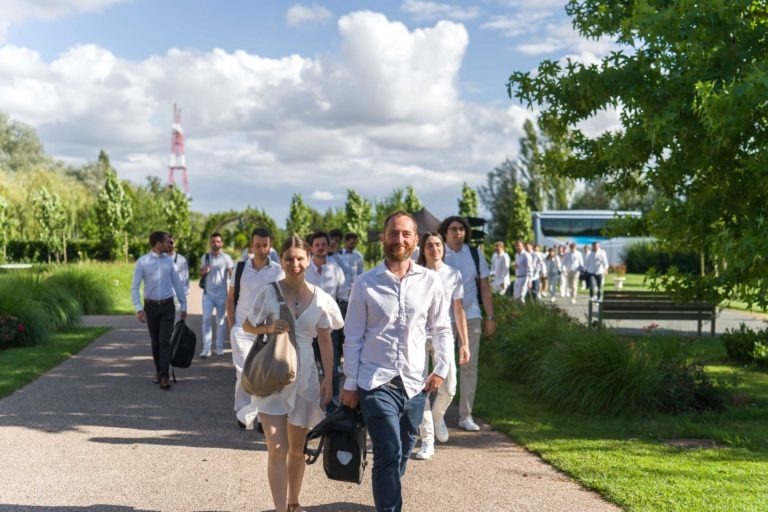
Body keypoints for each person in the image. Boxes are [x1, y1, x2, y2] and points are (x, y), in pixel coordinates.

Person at [341, 211, 453, 512]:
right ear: (383, 238)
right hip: (375, 380)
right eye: (393, 233)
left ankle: (387, 490)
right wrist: (350, 384)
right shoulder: (365, 284)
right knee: (388, 450)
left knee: (402, 453)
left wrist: (442, 367)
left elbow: (441, 328)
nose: (399, 239)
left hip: (415, 383)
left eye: (406, 234)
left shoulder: (430, 281)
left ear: (416, 240)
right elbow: (352, 337)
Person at [240, 236, 342, 512]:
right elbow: (248, 325)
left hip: (305, 377)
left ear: (309, 259)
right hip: (274, 373)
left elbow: (325, 341)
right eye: (288, 258)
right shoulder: (269, 292)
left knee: (297, 449)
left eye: (299, 258)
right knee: (276, 446)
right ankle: (279, 508)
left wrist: (329, 378)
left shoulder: (321, 299)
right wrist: (268, 329)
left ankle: (293, 502)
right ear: (281, 260)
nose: (294, 264)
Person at [414, 232, 470, 460]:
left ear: (443, 248)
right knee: (421, 389)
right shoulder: (416, 274)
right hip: (418, 336)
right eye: (429, 245)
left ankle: (437, 416)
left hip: (444, 336)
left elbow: (458, 310)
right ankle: (427, 440)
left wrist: (464, 343)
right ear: (423, 250)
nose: (434, 248)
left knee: (450, 387)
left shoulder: (453, 274)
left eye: (438, 244)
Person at [439, 215, 495, 432]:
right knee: (442, 365)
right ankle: (438, 415)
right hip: (442, 317)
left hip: (471, 314)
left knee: (469, 366)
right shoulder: (438, 251)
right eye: (453, 229)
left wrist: (489, 316)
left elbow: (484, 287)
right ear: (446, 232)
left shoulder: (474, 253)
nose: (458, 233)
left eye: (462, 229)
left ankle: (466, 415)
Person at [228, 227, 284, 428]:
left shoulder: (278, 270)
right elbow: (230, 298)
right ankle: (243, 412)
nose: (261, 250)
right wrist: (232, 326)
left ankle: (260, 416)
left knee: (262, 374)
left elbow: (282, 300)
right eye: (257, 245)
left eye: (265, 246)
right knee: (244, 371)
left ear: (270, 246)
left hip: (266, 331)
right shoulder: (240, 268)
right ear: (251, 246)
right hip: (243, 330)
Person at [131, 231, 187, 390]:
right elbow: (135, 287)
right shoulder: (142, 262)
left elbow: (178, 284)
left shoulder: (169, 262)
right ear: (158, 244)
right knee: (155, 341)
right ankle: (159, 371)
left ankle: (164, 376)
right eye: (166, 241)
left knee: (164, 341)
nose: (169, 243)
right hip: (151, 307)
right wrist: (138, 308)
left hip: (168, 306)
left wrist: (184, 305)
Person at [305, 231, 346, 408]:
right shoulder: (304, 270)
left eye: (324, 244)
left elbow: (343, 297)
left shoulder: (336, 269)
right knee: (307, 368)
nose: (321, 248)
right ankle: (309, 406)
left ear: (328, 247)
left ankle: (333, 407)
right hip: (307, 328)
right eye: (317, 245)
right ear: (311, 248)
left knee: (333, 369)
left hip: (330, 329)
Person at [199, 232, 234, 357]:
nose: (215, 243)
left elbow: (232, 274)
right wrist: (205, 271)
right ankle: (206, 348)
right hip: (208, 294)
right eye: (213, 241)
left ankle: (219, 348)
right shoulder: (206, 257)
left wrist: (233, 288)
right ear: (210, 243)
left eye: (218, 241)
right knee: (206, 319)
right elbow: (201, 273)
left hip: (221, 294)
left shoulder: (226, 258)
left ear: (222, 243)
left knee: (220, 321)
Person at [167, 234, 189, 320]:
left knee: (176, 327)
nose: (169, 245)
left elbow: (185, 281)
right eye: (167, 242)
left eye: (171, 242)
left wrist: (184, 305)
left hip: (177, 299)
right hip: (163, 299)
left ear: (175, 244)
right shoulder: (159, 259)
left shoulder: (181, 260)